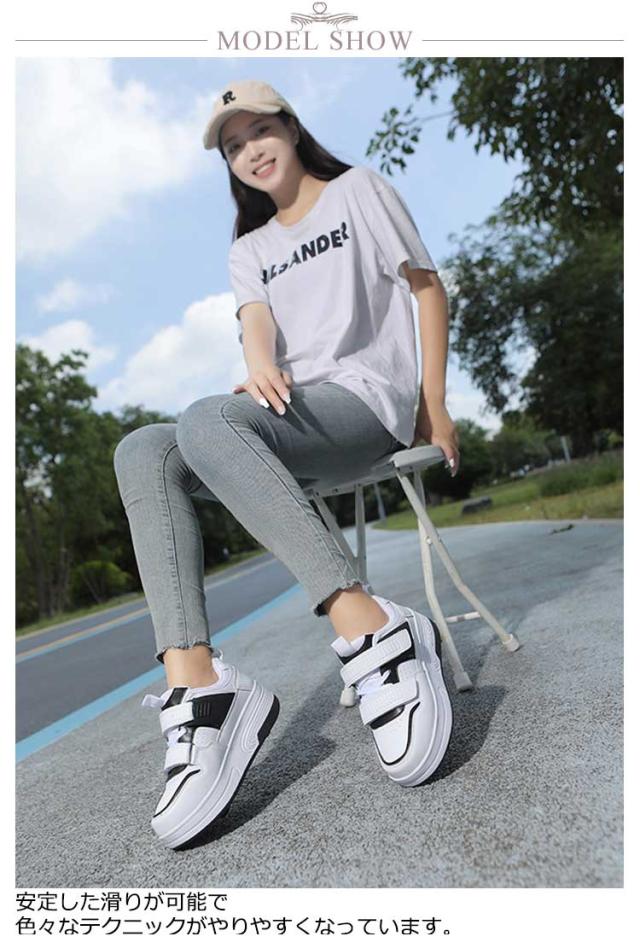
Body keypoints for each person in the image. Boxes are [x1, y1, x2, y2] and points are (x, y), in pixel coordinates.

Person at [113, 79, 460, 850]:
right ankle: (201, 690)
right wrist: (260, 363)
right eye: (234, 147)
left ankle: (375, 631)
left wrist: (433, 402)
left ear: (292, 129)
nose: (250, 151)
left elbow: (427, 289)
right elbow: (256, 323)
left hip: (363, 405)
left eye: (260, 132)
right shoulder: (250, 248)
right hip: (290, 421)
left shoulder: (359, 191)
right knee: (143, 448)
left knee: (206, 418)